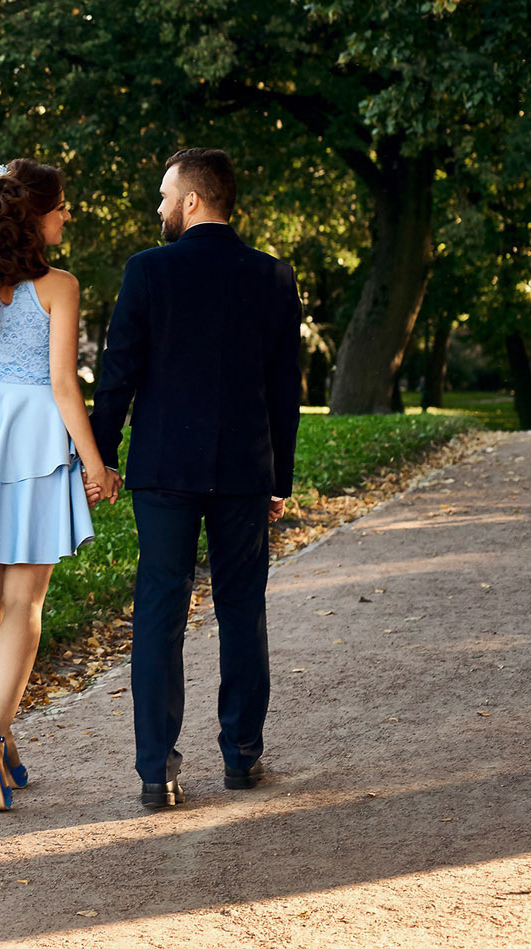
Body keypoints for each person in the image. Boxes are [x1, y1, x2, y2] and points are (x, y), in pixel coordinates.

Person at [88, 147, 302, 809]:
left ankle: (158, 772)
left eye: (163, 195)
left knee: (160, 610)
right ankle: (242, 757)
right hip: (242, 469)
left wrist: (103, 456)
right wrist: (281, 477)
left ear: (192, 201)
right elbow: (284, 390)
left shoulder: (148, 271)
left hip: (162, 470)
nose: (158, 208)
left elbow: (117, 371)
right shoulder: (272, 276)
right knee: (243, 609)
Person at [0, 158, 120, 812]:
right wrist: (94, 462)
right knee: (25, 600)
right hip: (36, 431)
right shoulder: (60, 286)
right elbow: (65, 386)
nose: (67, 214)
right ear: (34, 214)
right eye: (61, 205)